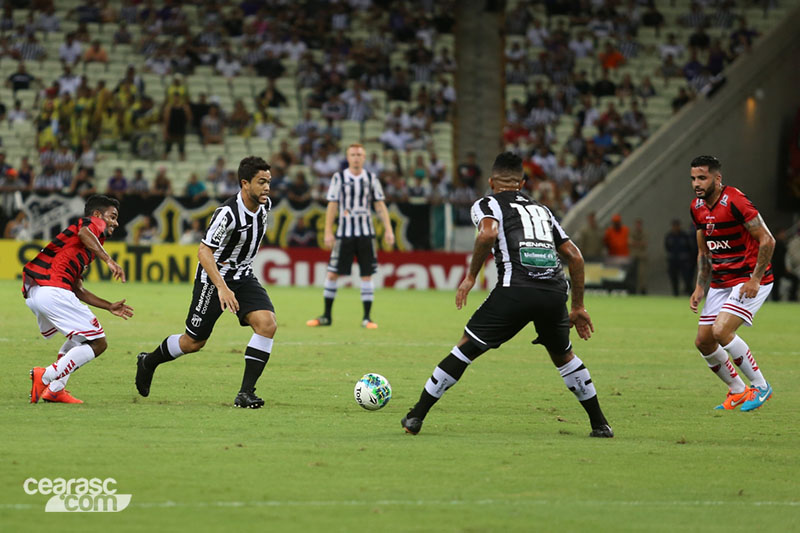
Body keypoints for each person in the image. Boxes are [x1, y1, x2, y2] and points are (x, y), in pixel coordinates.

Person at [401, 152, 612, 437]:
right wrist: (577, 306)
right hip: (553, 292)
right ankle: (600, 424)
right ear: (522, 183)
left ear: (491, 181)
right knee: (564, 356)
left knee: (466, 347)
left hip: (516, 290)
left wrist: (471, 276)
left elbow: (487, 235)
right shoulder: (542, 209)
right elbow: (575, 257)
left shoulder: (487, 203)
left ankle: (417, 415)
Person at [136, 157, 277, 409]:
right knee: (193, 342)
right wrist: (222, 286)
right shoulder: (227, 213)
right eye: (261, 182)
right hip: (213, 281)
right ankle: (148, 361)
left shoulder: (265, 206)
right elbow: (203, 251)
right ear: (245, 184)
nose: (267, 187)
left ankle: (245, 393)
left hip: (243, 276)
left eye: (269, 181)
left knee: (267, 324)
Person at [26, 195, 132, 404]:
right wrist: (109, 260)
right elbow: (85, 232)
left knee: (79, 339)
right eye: (112, 216)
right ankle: (46, 376)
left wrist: (108, 306)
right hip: (52, 290)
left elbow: (78, 290)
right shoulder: (90, 226)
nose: (115, 223)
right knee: (99, 343)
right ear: (97, 215)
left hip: (41, 293)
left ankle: (55, 390)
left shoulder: (83, 248)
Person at [688, 155, 774, 411]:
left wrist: (755, 279)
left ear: (717, 178)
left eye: (702, 178)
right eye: (693, 178)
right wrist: (700, 286)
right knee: (703, 341)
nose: (696, 184)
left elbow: (767, 240)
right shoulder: (697, 207)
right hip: (721, 281)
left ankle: (760, 386)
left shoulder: (735, 200)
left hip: (748, 278)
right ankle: (737, 390)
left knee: (721, 331)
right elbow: (704, 252)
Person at [306, 144, 395, 329]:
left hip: (365, 233)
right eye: (353, 154)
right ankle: (326, 316)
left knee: (366, 275)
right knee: (332, 274)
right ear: (348, 157)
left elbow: (379, 205)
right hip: (344, 234)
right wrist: (328, 231)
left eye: (359, 155)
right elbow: (332, 205)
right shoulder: (338, 178)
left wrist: (388, 229)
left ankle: (367, 318)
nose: (356, 158)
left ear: (364, 158)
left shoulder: (371, 179)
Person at [665, 219, 695, 296]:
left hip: (683, 260)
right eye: (674, 226)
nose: (675, 227)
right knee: (674, 277)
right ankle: (675, 294)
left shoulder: (684, 236)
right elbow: (667, 247)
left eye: (677, 226)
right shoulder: (669, 236)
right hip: (673, 260)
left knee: (687, 278)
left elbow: (690, 248)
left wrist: (688, 258)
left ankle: (690, 293)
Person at [770, 228, 798, 301]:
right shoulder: (775, 243)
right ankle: (775, 299)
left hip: (781, 268)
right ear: (778, 234)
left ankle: (791, 297)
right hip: (775, 268)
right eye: (782, 233)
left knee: (795, 279)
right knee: (775, 285)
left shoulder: (781, 243)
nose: (784, 235)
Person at [630, 218, 648, 294]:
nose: (638, 226)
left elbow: (644, 243)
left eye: (639, 224)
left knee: (642, 274)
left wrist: (635, 243)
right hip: (633, 257)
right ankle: (633, 290)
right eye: (637, 224)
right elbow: (630, 242)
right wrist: (639, 243)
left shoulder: (644, 233)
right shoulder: (631, 233)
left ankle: (642, 290)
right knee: (633, 275)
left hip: (641, 257)